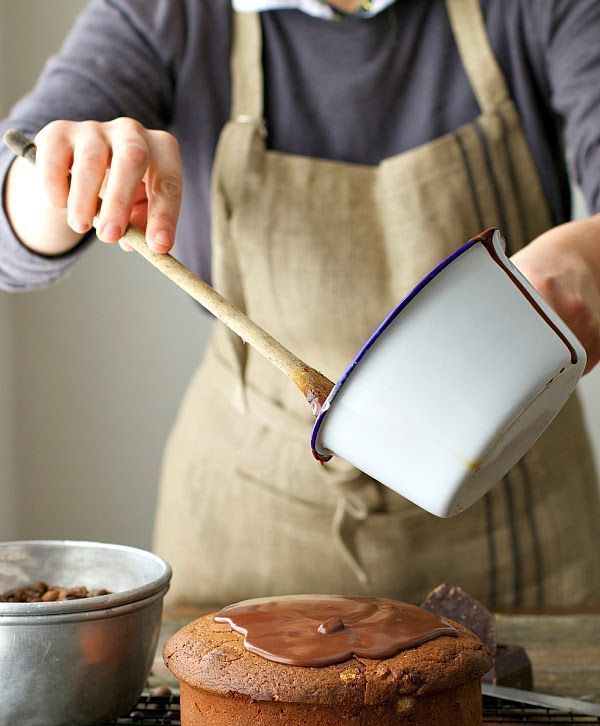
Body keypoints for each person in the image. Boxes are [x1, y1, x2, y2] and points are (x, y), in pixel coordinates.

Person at [1, 0, 599, 613]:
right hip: (252, 537)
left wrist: (585, 260)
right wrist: (62, 178)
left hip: (521, 530)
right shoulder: (164, 14)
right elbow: (10, 221)